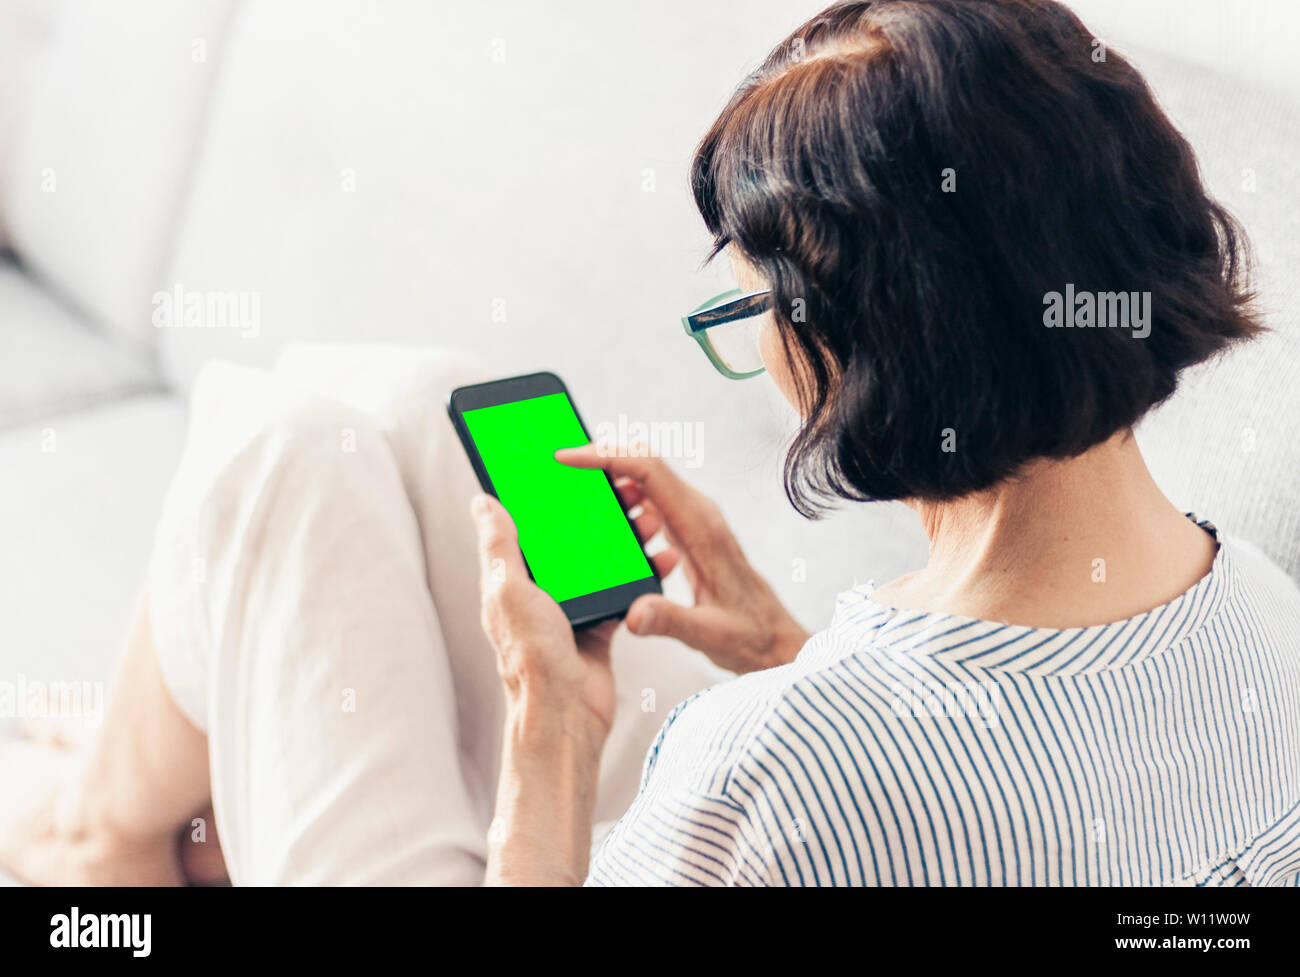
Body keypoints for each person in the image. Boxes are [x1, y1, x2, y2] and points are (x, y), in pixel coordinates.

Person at [4, 0, 1298, 886]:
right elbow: (980, 794)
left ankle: (98, 832)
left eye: (748, 310)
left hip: (684, 826)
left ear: (848, 342)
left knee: (282, 454)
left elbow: (838, 792)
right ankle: (166, 786)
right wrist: (792, 651)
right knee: (417, 406)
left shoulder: (775, 764)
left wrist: (548, 735)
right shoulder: (1264, 613)